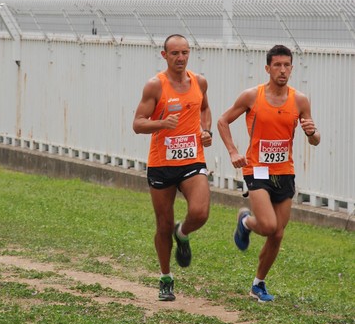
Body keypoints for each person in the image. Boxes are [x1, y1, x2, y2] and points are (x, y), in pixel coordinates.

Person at [217, 44, 320, 302]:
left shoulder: (300, 100)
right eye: (277, 65)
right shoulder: (252, 96)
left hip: (284, 171)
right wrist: (232, 151)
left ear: (292, 68)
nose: (282, 70)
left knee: (277, 233)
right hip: (257, 169)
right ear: (267, 68)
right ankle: (246, 222)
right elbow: (223, 121)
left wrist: (311, 132)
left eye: (287, 65)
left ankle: (257, 285)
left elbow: (315, 139)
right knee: (267, 225)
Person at [133, 34, 213, 301]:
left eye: (185, 53)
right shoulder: (155, 86)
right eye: (175, 53)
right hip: (162, 163)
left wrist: (206, 130)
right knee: (163, 224)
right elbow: (138, 124)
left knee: (200, 212)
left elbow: (205, 109)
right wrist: (161, 124)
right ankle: (166, 277)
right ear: (164, 55)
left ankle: (184, 232)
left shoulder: (199, 82)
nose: (180, 58)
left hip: (192, 159)